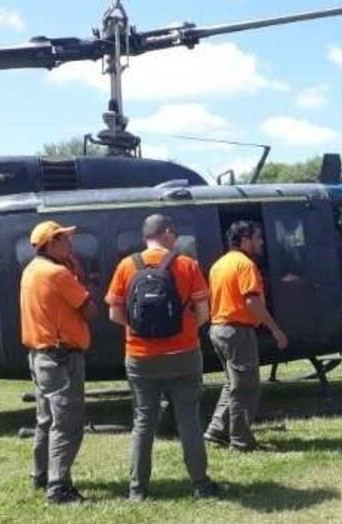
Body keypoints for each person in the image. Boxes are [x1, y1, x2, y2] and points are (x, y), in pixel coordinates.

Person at [105, 214, 220, 501]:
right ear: (167, 233)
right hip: (183, 353)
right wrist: (186, 328)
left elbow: (114, 313)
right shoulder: (186, 265)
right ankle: (200, 484)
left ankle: (138, 489)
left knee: (143, 421)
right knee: (189, 420)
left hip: (141, 356)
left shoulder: (126, 266)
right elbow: (203, 312)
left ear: (146, 236)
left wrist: (141, 329)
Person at [20, 220, 98, 505]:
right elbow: (90, 311)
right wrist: (77, 276)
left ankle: (41, 474)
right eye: (64, 239)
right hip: (61, 357)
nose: (70, 244)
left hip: (39, 356)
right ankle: (59, 487)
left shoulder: (30, 271)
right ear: (51, 244)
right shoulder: (57, 274)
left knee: (46, 420)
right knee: (67, 423)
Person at [203, 221, 288, 452]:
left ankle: (215, 432)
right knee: (246, 388)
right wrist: (275, 329)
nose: (261, 242)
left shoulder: (219, 265)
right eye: (257, 237)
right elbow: (252, 301)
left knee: (232, 384)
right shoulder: (245, 265)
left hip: (218, 329)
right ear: (244, 239)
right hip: (237, 332)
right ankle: (241, 442)